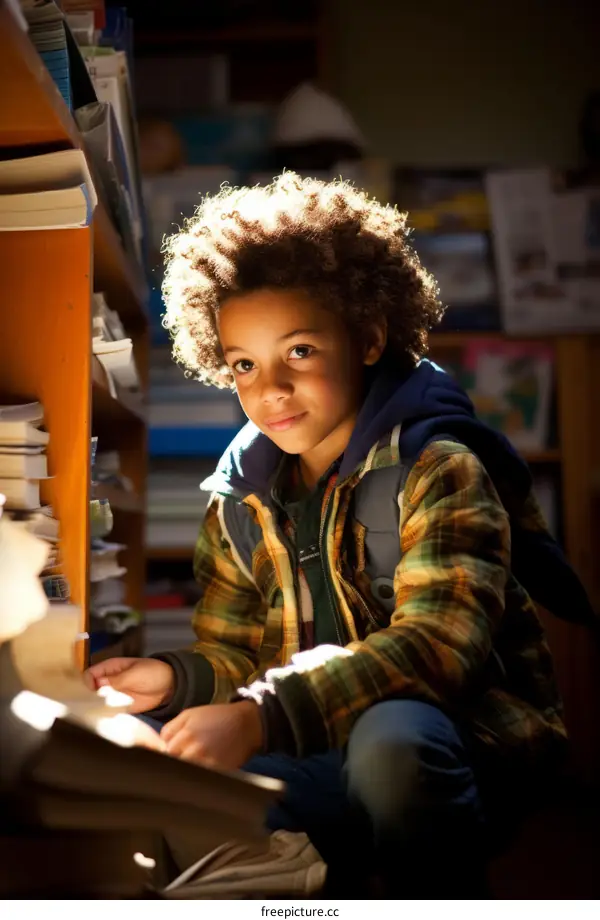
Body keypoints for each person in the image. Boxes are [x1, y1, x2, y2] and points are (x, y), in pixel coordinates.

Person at [86, 173, 593, 897]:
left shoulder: (438, 470)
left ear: (367, 337)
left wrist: (259, 717)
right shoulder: (241, 502)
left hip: (457, 751)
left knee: (389, 744)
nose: (270, 390)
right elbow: (240, 649)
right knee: (168, 769)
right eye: (243, 365)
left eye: (298, 352)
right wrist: (175, 678)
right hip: (316, 743)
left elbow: (439, 648)